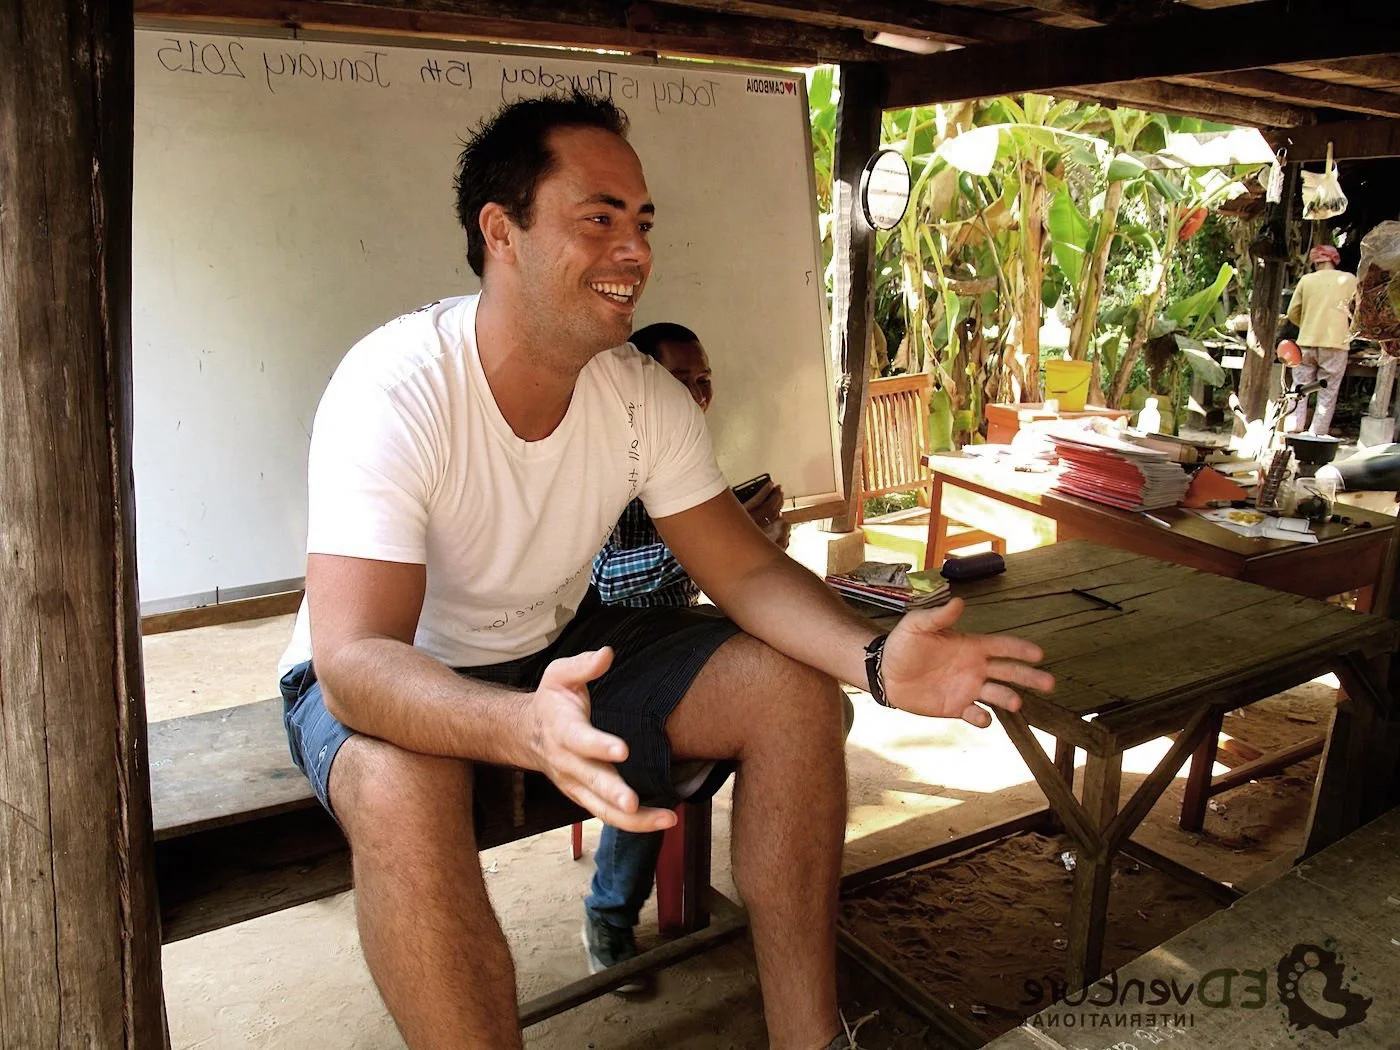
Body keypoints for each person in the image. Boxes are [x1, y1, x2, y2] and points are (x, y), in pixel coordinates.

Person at [277, 89, 1053, 1050]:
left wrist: (877, 661)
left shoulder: (642, 397)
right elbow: (356, 661)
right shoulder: (396, 388)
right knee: (402, 786)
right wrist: (520, 724)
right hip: (396, 667)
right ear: (501, 231)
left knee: (793, 693)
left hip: (556, 645)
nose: (635, 250)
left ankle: (810, 1039)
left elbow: (748, 575)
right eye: (598, 219)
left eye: (641, 223)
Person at [582, 321, 792, 983]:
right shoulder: (597, 461)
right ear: (640, 386)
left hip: (676, 636)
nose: (698, 396)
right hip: (604, 650)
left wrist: (753, 543)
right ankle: (610, 914)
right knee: (652, 756)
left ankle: (755, 896)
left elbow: (714, 574)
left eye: (704, 382)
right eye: (680, 382)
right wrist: (714, 539)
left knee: (799, 708)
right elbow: (608, 580)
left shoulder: (686, 453)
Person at [1286, 244, 1358, 436]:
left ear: (1316, 262)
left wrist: (1307, 324)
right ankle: (1317, 434)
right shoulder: (1349, 280)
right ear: (1334, 260)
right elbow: (1360, 311)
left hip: (1306, 342)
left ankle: (1292, 428)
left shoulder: (1306, 280)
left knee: (1299, 388)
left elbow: (1292, 312)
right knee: (1328, 391)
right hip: (1336, 343)